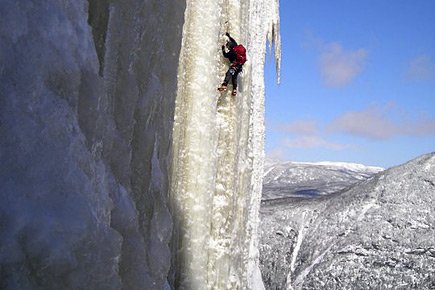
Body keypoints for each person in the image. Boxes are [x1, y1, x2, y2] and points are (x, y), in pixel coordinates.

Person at [218, 32, 246, 96]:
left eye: (228, 47)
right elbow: (233, 40)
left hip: (234, 66)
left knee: (228, 74)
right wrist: (229, 36)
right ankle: (234, 90)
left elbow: (225, 55)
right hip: (239, 66)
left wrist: (223, 49)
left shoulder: (232, 52)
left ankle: (224, 85)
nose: (228, 48)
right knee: (234, 77)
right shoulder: (236, 45)